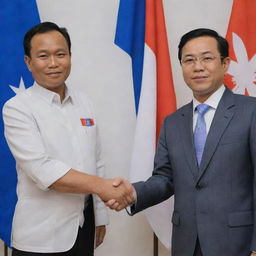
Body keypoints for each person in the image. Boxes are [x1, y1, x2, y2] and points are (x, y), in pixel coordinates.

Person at [107, 28, 256, 256]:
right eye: (189, 60)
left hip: (238, 244)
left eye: (207, 58)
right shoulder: (173, 123)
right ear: (182, 67)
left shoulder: (251, 111)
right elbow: (165, 179)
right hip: (187, 243)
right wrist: (133, 193)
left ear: (225, 64)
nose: (198, 67)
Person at [3, 22, 134, 256]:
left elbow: (97, 160)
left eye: (60, 54)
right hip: (41, 237)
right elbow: (42, 170)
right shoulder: (17, 108)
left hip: (83, 228)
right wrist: (105, 188)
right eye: (43, 56)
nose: (53, 63)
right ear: (28, 62)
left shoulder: (84, 102)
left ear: (70, 56)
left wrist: (100, 216)